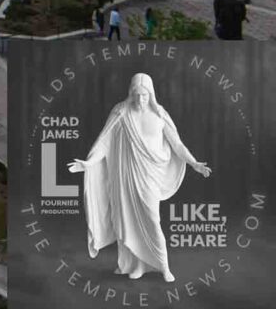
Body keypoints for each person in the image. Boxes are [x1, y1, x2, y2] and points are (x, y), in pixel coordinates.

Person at [69, 72, 212, 282]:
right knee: (127, 220)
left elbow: (177, 144)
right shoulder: (121, 113)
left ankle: (164, 266)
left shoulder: (160, 115)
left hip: (150, 177)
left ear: (151, 95)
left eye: (144, 95)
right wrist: (89, 163)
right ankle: (136, 265)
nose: (140, 100)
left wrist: (194, 163)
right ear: (131, 93)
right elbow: (104, 143)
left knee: (153, 220)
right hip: (125, 177)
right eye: (136, 95)